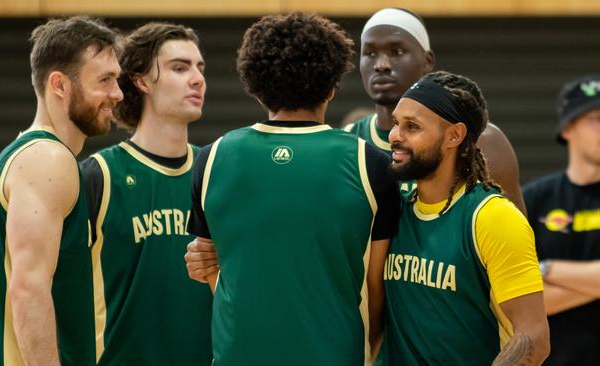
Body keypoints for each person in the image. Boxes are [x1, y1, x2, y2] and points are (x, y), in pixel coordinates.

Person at [186, 12, 400, 366]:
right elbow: (377, 289)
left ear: (256, 89)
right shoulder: (372, 163)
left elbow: (210, 268)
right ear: (332, 87)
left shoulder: (211, 158)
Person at [0, 16, 122, 365]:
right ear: (59, 85)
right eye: (105, 81)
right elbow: (29, 290)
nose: (117, 94)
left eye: (116, 80)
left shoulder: (29, 154)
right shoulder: (47, 160)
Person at [377, 70, 549, 365]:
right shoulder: (394, 209)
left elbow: (533, 336)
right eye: (395, 123)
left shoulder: (492, 217)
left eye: (412, 127)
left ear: (454, 135)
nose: (395, 136)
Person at [79, 22, 213, 365]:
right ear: (140, 80)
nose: (197, 79)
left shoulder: (215, 171)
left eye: (200, 68)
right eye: (179, 68)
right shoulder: (99, 175)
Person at [344, 8, 526, 212]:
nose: (381, 65)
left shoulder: (483, 139)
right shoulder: (348, 139)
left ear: (427, 61)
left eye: (397, 52)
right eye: (369, 53)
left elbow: (515, 235)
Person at [522, 75, 600, 365]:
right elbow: (521, 303)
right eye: (595, 118)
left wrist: (547, 269)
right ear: (567, 128)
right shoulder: (534, 200)